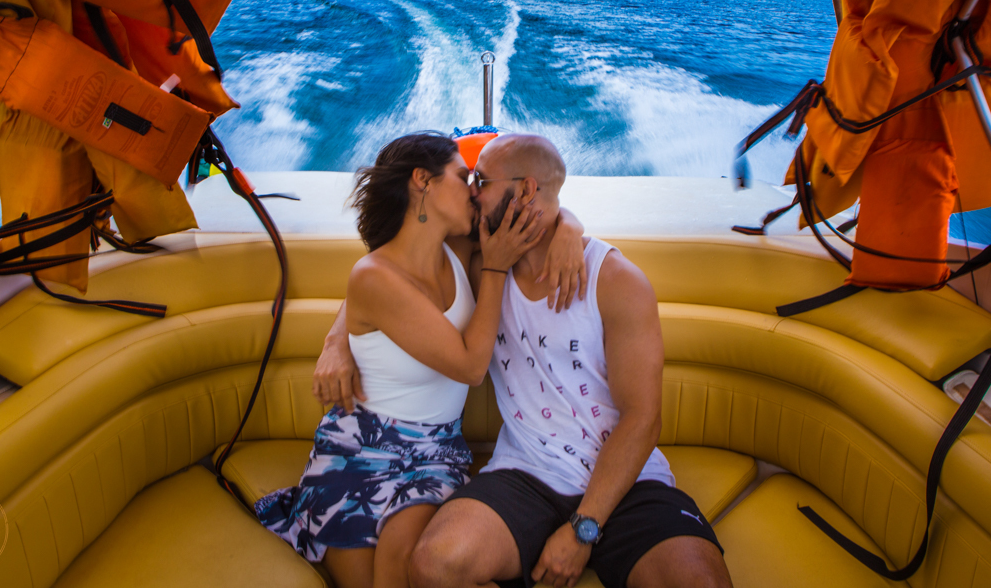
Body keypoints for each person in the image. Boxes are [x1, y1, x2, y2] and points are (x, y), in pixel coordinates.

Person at [316, 135, 733, 588]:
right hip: (524, 475)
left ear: (528, 191)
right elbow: (387, 272)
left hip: (627, 483)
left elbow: (643, 418)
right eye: (467, 179)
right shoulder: (480, 261)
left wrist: (582, 528)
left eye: (481, 181)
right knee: (432, 565)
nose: (473, 191)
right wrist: (337, 339)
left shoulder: (615, 280)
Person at [259, 132, 586, 588]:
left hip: (434, 453)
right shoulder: (378, 277)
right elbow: (470, 365)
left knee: (406, 564)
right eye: (462, 176)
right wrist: (493, 269)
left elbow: (537, 198)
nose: (474, 189)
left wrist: (570, 225)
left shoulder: (461, 248)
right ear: (422, 182)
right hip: (360, 448)